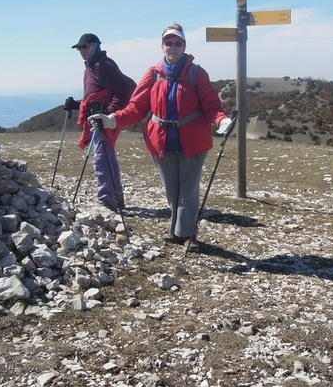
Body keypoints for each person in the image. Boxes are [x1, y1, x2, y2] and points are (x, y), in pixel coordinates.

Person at [89, 24, 232, 253]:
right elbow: (136, 108)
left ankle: (189, 234)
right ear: (162, 46)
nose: (173, 47)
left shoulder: (196, 73)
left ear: (184, 46)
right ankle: (177, 230)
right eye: (168, 43)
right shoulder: (153, 74)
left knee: (188, 190)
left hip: (193, 140)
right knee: (171, 188)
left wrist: (222, 120)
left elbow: (211, 106)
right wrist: (112, 119)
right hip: (161, 140)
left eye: (178, 43)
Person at [64, 33, 135, 211]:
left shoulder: (104, 65)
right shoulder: (91, 67)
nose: (81, 50)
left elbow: (123, 90)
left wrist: (109, 112)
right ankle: (116, 199)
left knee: (101, 159)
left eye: (84, 47)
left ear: (95, 46)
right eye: (79, 48)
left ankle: (107, 201)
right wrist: (75, 105)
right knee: (106, 157)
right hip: (98, 118)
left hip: (104, 120)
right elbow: (93, 98)